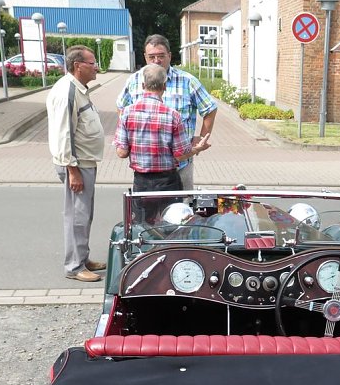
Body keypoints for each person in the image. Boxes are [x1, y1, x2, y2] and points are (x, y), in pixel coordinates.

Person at [116, 34, 217, 190]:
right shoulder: (134, 80)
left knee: (181, 210)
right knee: (148, 213)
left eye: (161, 56)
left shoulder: (187, 80)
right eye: (152, 57)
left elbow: (210, 108)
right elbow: (121, 107)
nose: (156, 60)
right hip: (145, 169)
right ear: (145, 57)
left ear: (169, 56)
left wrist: (202, 137)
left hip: (181, 165)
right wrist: (126, 138)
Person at [113, 64, 211, 223]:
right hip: (168, 182)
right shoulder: (173, 115)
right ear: (164, 86)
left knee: (142, 227)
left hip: (142, 182)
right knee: (170, 227)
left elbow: (122, 153)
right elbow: (180, 155)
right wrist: (198, 148)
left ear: (143, 85)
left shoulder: (127, 113)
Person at [46, 45, 106, 282]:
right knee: (77, 215)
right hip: (76, 164)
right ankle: (74, 266)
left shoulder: (78, 89)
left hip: (84, 162)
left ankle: (82, 257)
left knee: (84, 214)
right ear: (78, 66)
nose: (96, 68)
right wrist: (73, 171)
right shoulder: (67, 92)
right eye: (92, 63)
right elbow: (63, 134)